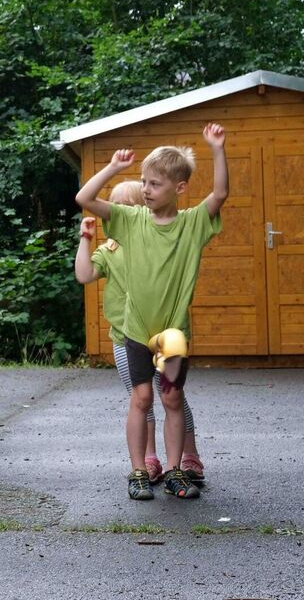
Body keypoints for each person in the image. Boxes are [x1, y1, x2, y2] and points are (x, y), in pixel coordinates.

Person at [75, 123, 228, 501]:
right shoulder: (130, 220)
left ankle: (175, 471)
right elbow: (85, 197)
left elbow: (220, 194)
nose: (145, 189)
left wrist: (217, 149)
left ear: (179, 188)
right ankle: (139, 472)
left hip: (172, 335)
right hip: (135, 331)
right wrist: (112, 167)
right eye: (143, 182)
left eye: (155, 184)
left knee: (172, 399)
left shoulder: (192, 224)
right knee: (141, 399)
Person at [75, 181, 207, 488]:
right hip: (126, 337)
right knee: (142, 398)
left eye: (129, 206)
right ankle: (149, 459)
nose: (120, 212)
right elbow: (84, 274)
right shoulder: (109, 251)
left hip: (164, 333)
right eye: (116, 206)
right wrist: (85, 239)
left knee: (173, 396)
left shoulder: (156, 245)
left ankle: (189, 456)